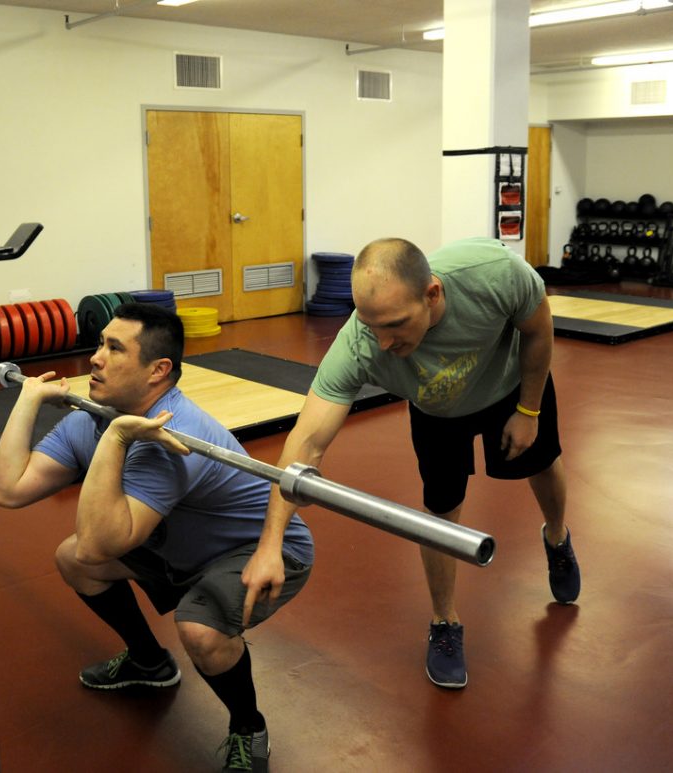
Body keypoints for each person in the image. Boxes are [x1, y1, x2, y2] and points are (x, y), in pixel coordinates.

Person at [240, 236, 580, 690]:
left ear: (432, 294)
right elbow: (305, 443)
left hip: (510, 388)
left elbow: (538, 328)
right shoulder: (360, 343)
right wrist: (270, 543)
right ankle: (444, 622)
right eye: (371, 325)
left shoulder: (493, 273)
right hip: (437, 410)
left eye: (396, 324)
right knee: (441, 512)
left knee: (541, 465)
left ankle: (557, 538)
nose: (382, 342)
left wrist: (529, 410)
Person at [0, 301, 313, 772]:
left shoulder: (169, 436)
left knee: (200, 629)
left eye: (114, 348)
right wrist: (27, 400)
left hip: (261, 549)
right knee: (74, 559)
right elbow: (7, 490)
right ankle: (148, 663)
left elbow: (103, 541)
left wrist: (118, 438)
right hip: (182, 544)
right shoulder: (94, 416)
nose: (95, 357)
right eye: (100, 343)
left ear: (158, 370)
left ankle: (248, 725)